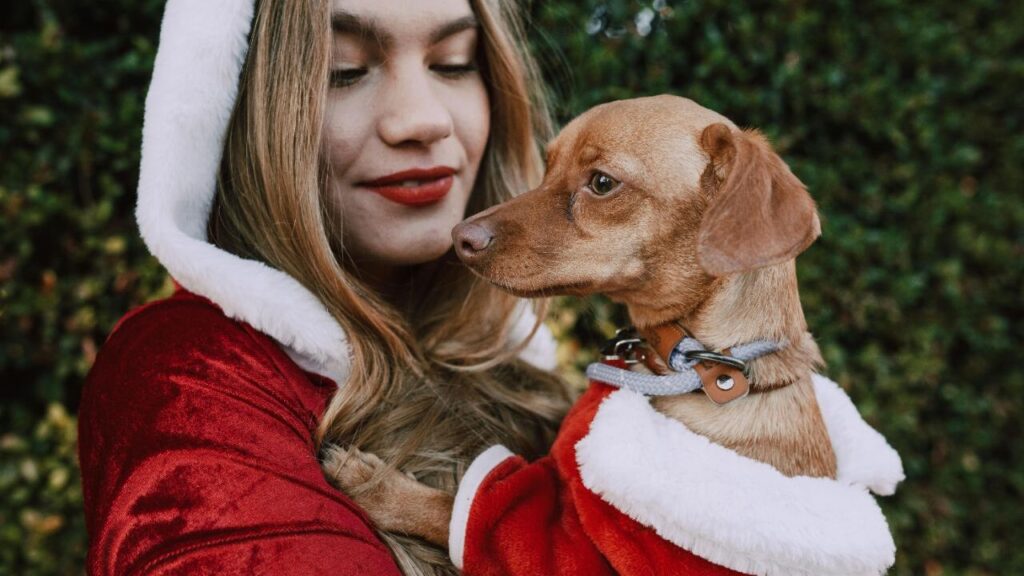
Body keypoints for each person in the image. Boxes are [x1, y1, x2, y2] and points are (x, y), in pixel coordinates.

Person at [78, 0, 571, 574]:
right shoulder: (189, 375)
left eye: (454, 64)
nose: (424, 120)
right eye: (344, 71)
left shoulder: (532, 379)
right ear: (239, 105)